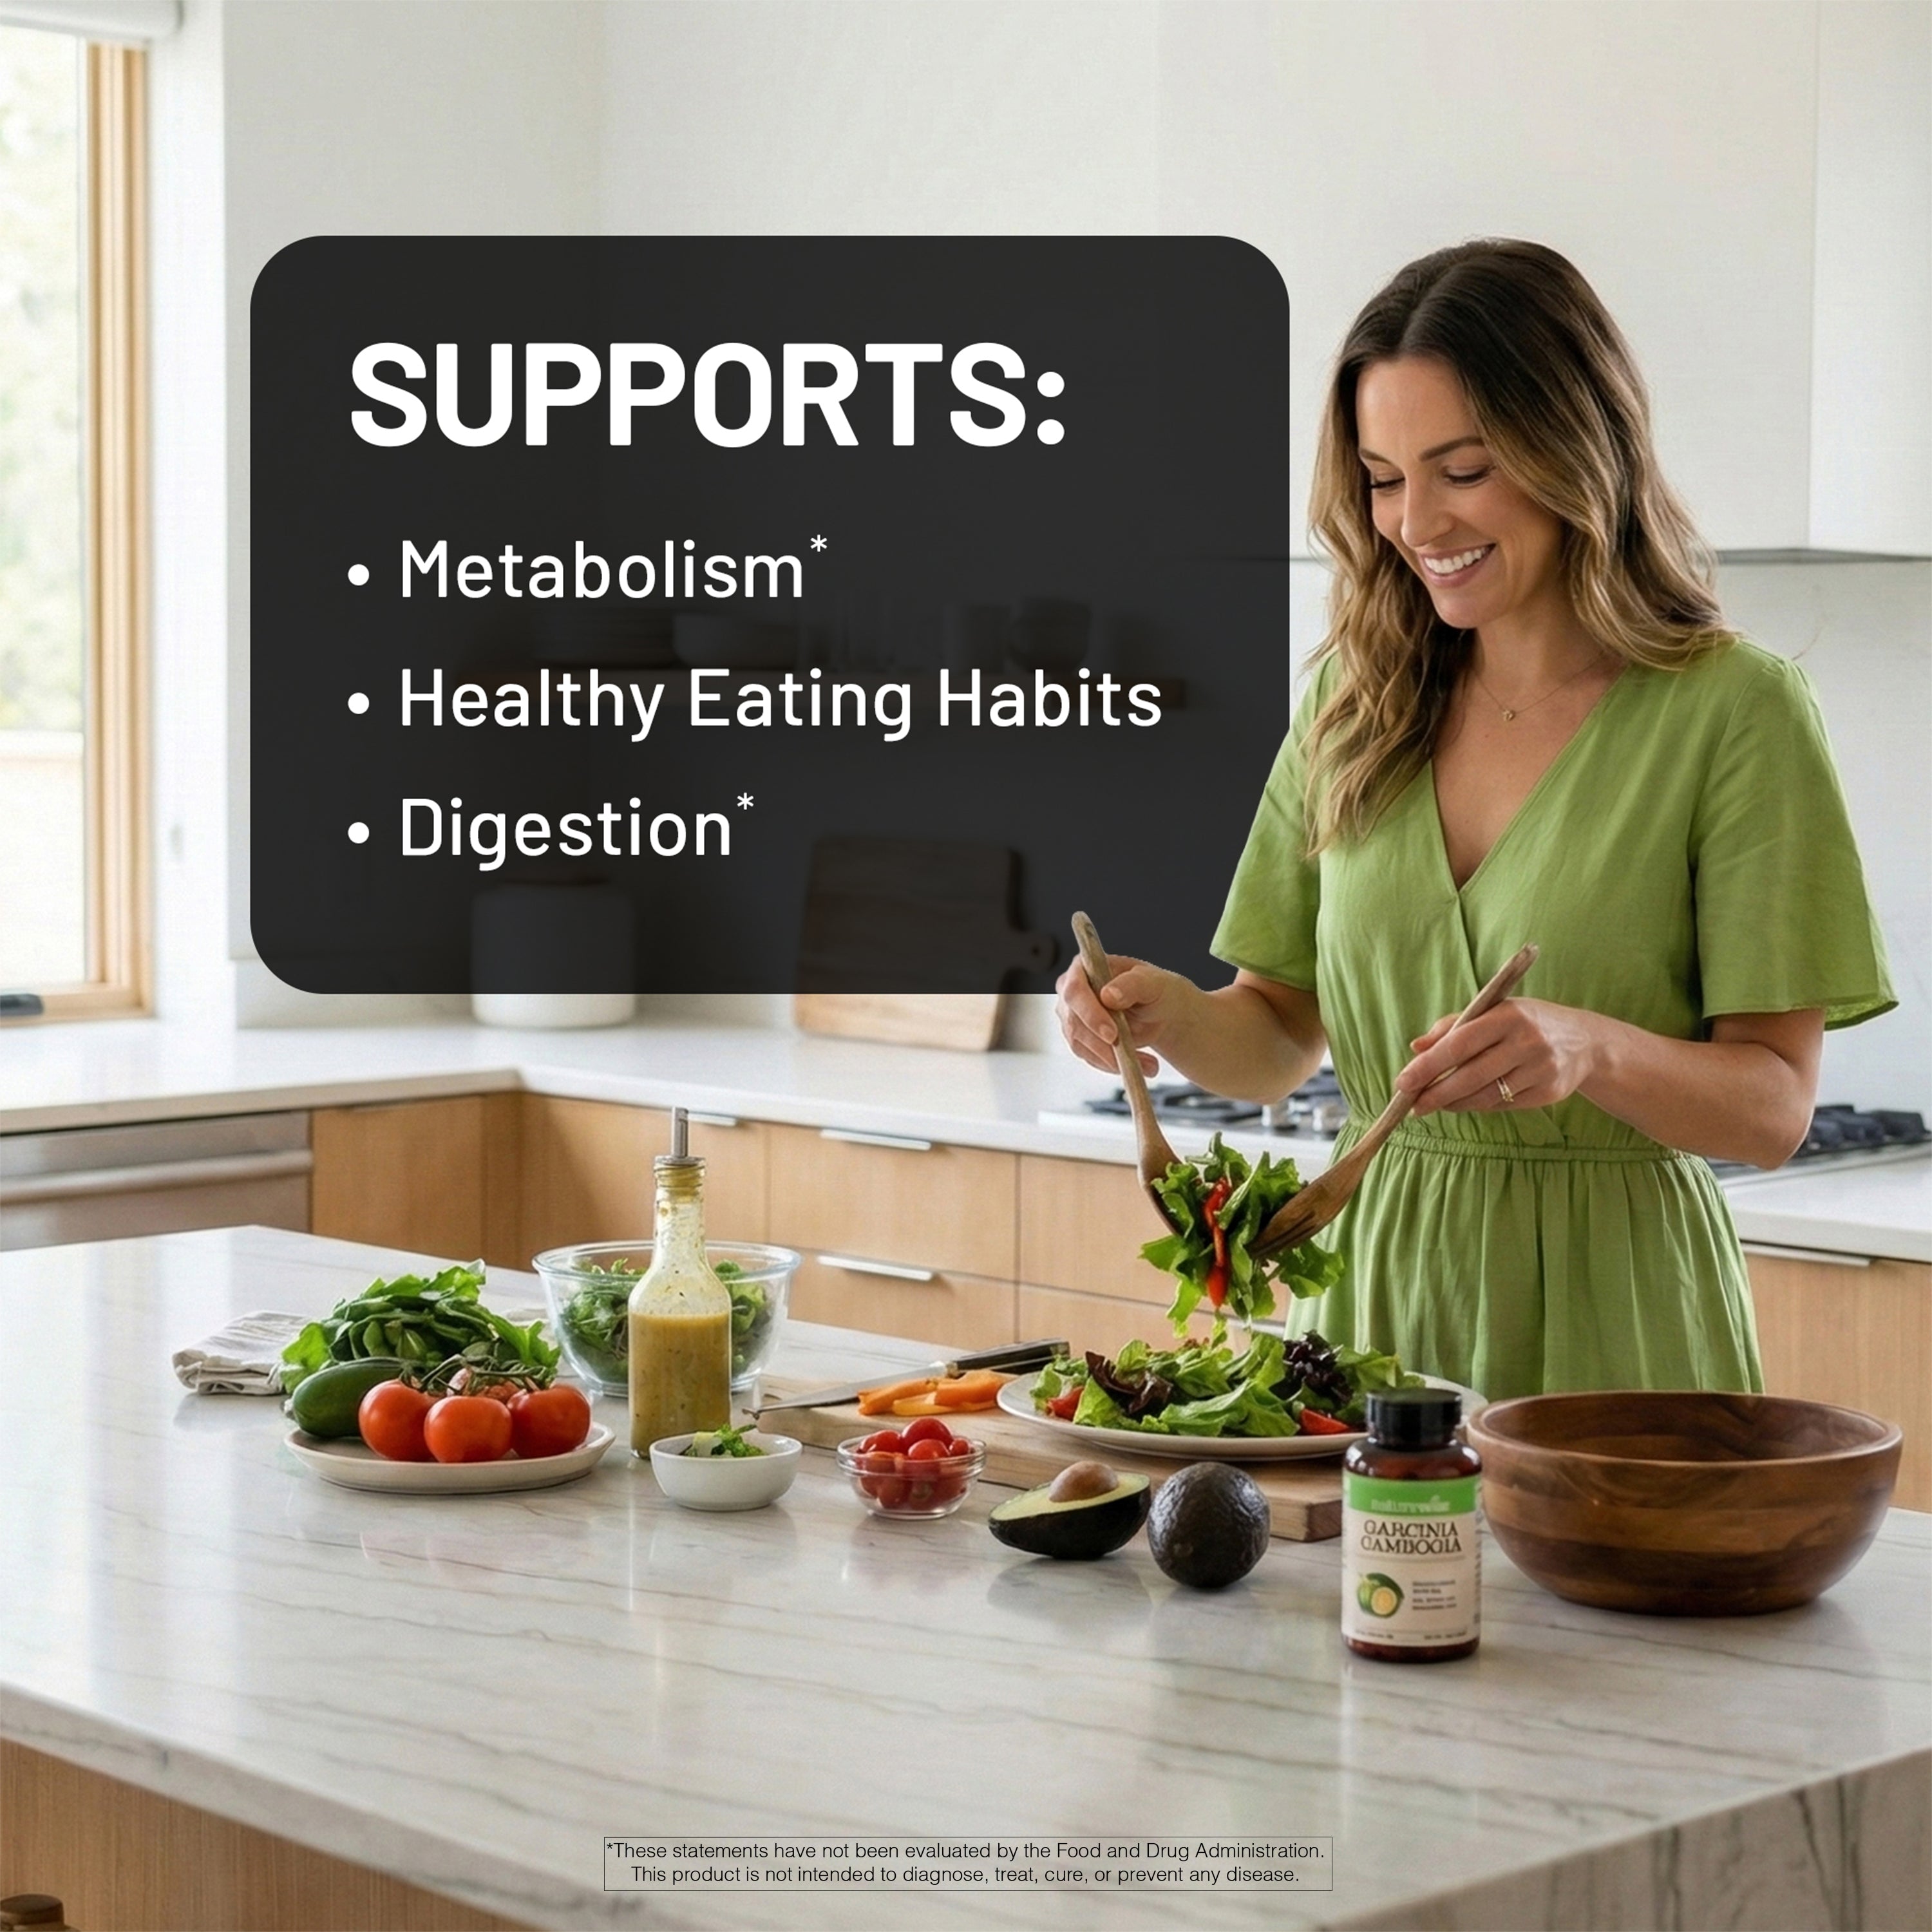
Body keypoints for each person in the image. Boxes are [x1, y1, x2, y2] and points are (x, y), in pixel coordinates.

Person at [1057, 240, 1893, 1400]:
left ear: (1572, 450)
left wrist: (1587, 1047)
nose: (1415, 520)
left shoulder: (1732, 711)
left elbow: (1772, 1109)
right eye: (1384, 476)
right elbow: (1279, 1036)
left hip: (1620, 1313)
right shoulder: (1353, 704)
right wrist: (1167, 1018)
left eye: (1463, 468)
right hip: (1369, 1300)